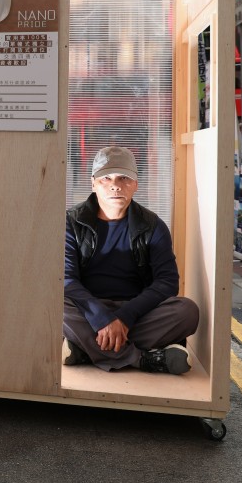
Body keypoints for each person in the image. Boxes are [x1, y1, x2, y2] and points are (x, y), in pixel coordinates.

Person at [64, 146, 200, 374]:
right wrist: (102, 319)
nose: (115, 185)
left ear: (136, 184)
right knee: (52, 305)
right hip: (87, 310)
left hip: (136, 312)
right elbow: (66, 279)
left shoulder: (153, 225)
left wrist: (124, 318)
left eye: (124, 178)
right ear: (93, 183)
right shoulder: (71, 223)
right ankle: (142, 359)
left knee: (187, 311)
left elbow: (167, 282)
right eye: (106, 178)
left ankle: (86, 349)